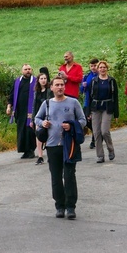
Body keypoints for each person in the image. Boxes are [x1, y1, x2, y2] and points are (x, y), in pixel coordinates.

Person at [34, 77, 87, 220]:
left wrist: (71, 125)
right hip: (52, 146)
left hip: (69, 145)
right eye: (57, 85)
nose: (60, 87)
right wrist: (43, 123)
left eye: (62, 85)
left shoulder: (73, 102)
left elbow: (83, 120)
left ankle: (70, 207)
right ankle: (59, 206)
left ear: (65, 87)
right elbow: (36, 119)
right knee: (56, 177)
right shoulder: (46, 104)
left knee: (69, 176)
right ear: (51, 87)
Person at [88, 61, 119, 163]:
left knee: (104, 131)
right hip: (96, 108)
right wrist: (88, 111)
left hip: (107, 107)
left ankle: (110, 149)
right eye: (100, 67)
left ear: (107, 68)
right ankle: (100, 155)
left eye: (104, 67)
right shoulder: (94, 81)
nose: (102, 69)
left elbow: (115, 97)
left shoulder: (111, 81)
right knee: (96, 132)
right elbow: (89, 97)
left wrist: (116, 113)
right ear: (97, 69)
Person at [6, 64, 37, 159]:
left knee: (29, 130)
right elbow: (12, 95)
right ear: (22, 71)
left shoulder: (35, 81)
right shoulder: (17, 82)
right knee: (21, 130)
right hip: (19, 110)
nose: (28, 71)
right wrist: (9, 106)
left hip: (31, 110)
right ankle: (25, 150)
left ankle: (31, 150)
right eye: (25, 69)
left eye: (29, 69)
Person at [32, 73, 52, 165]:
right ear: (38, 80)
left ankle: (50, 155)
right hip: (39, 116)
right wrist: (32, 119)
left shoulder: (49, 90)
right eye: (41, 78)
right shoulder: (36, 91)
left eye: (45, 78)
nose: (43, 80)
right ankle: (40, 156)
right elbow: (34, 106)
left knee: (48, 135)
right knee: (38, 135)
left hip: (48, 115)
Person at [80, 58, 99, 149]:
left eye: (95, 65)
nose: (93, 67)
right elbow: (81, 90)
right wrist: (83, 86)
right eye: (91, 66)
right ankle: (96, 133)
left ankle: (94, 139)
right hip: (87, 102)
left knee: (95, 121)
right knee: (86, 121)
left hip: (97, 102)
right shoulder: (87, 76)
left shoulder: (101, 76)